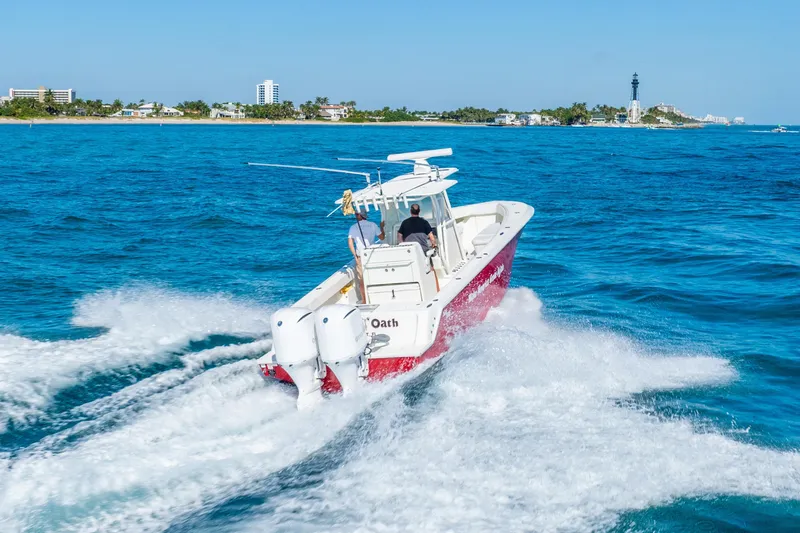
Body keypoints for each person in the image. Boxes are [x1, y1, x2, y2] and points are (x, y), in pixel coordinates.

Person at [348, 209, 384, 302]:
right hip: (371, 254)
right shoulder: (372, 225)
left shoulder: (353, 227)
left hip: (360, 256)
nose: (355, 216)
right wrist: (382, 227)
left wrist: (355, 256)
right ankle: (377, 297)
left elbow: (350, 242)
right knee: (374, 276)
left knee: (362, 280)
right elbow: (382, 237)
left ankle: (365, 300)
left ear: (360, 216)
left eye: (356, 214)